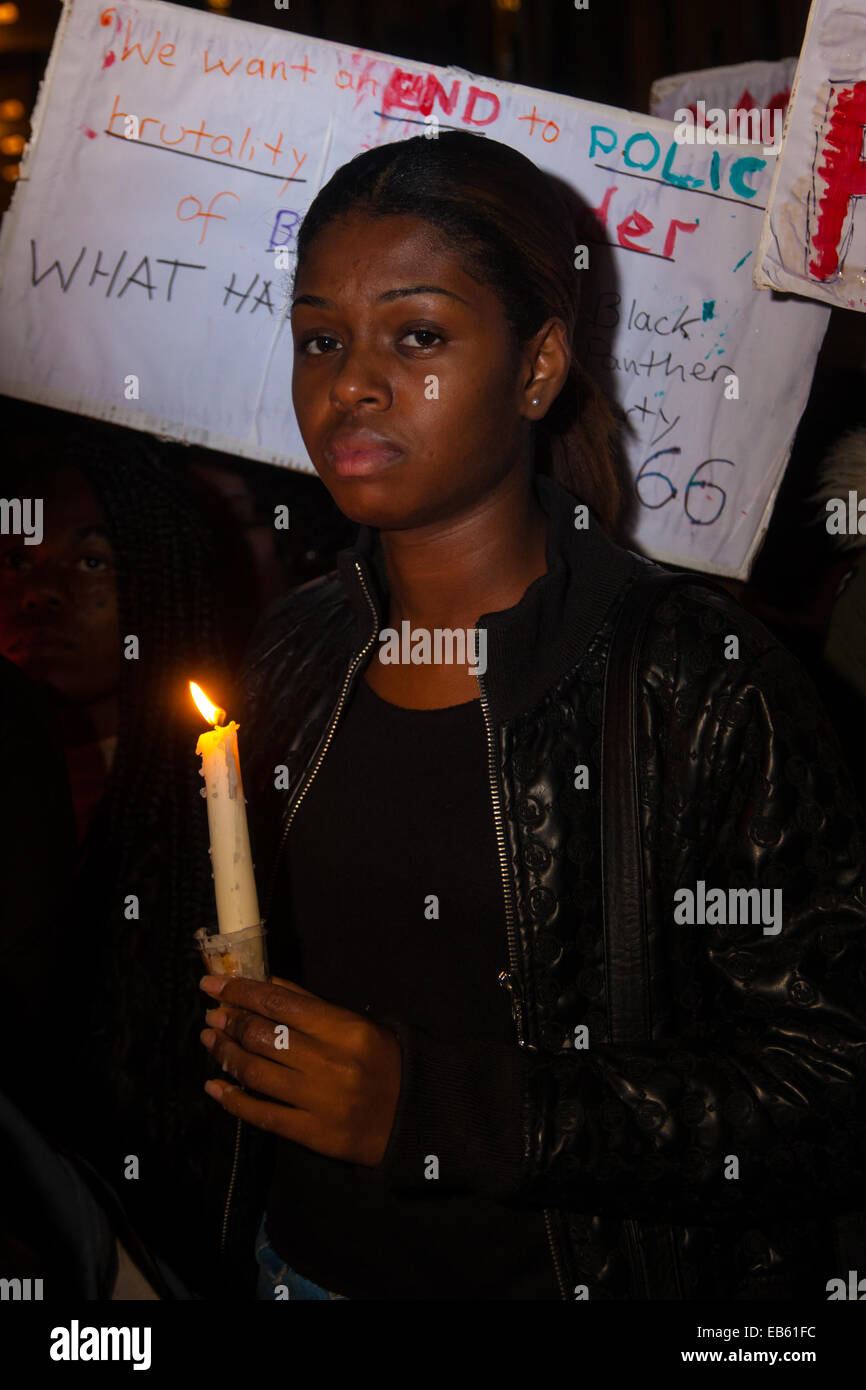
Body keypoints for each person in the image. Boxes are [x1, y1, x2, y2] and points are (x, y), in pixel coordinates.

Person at [195, 131, 866, 1301]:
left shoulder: (696, 681)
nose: (350, 381)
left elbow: (829, 1081)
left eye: (416, 336)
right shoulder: (295, 650)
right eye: (319, 338)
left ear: (538, 365)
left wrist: (437, 1108)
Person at [1, 420, 235, 1298]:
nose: (41, 594)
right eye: (18, 561)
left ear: (159, 583)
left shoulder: (208, 835)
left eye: (91, 562)